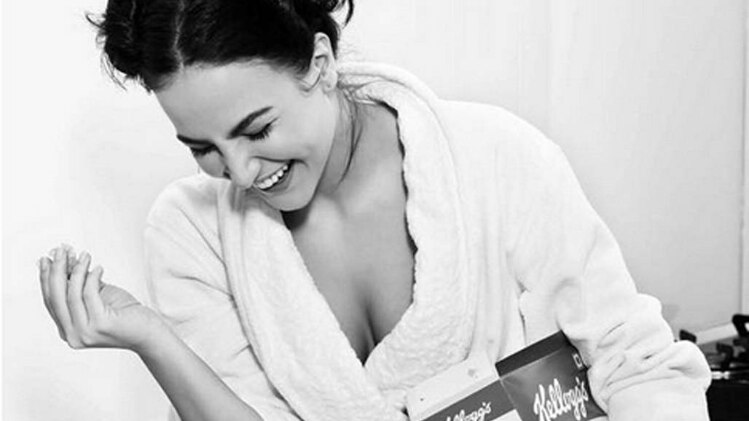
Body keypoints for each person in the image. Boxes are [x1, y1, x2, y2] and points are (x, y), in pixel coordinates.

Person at [37, 0, 712, 420]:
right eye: (202, 148)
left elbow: (635, 362)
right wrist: (154, 339)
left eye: (258, 129)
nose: (240, 173)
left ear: (319, 62)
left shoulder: (495, 157)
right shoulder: (190, 230)